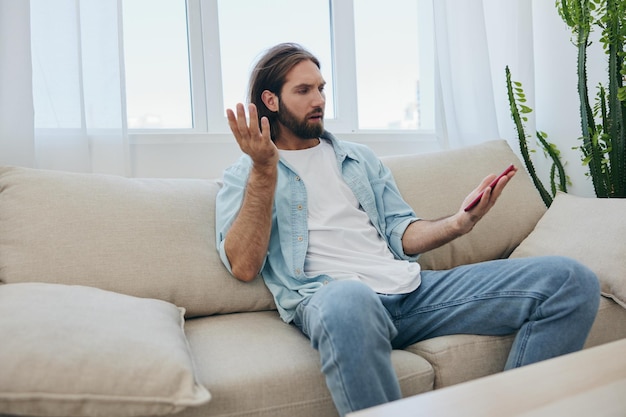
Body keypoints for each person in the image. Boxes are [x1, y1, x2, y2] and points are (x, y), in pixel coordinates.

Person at [215, 42, 600, 417]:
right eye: (303, 90)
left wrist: (459, 222)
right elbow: (244, 266)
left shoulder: (357, 159)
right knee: (351, 297)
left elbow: (401, 231)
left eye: (321, 88)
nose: (319, 99)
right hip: (335, 300)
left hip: (412, 293)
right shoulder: (245, 175)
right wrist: (264, 170)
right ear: (270, 101)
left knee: (571, 280)